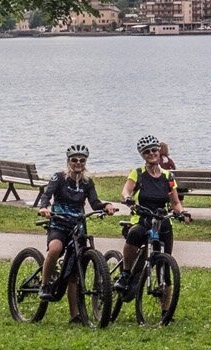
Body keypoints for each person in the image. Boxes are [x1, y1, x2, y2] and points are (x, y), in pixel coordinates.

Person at [33, 144, 116, 320]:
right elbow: (47, 195)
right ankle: (45, 284)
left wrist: (106, 206)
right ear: (68, 161)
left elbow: (94, 202)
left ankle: (75, 315)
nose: (78, 163)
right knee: (55, 249)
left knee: (74, 273)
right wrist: (44, 207)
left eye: (82, 160)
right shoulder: (59, 177)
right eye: (74, 160)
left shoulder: (87, 182)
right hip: (59, 222)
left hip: (78, 226)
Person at [119, 135, 191, 287]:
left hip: (161, 220)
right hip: (142, 217)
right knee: (134, 234)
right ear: (142, 155)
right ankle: (125, 273)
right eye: (147, 152)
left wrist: (182, 212)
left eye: (154, 150)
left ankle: (166, 308)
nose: (151, 154)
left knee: (165, 264)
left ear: (159, 152)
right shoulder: (138, 173)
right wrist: (128, 198)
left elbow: (176, 202)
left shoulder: (168, 176)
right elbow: (126, 190)